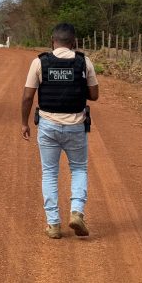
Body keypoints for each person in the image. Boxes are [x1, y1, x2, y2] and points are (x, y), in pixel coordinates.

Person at [20, 23, 99, 239]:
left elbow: (28, 97)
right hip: (75, 125)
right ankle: (76, 212)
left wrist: (24, 123)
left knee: (49, 173)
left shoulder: (39, 62)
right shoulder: (84, 62)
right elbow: (94, 95)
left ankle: (53, 224)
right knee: (79, 169)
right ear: (74, 42)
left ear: (52, 40)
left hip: (47, 125)